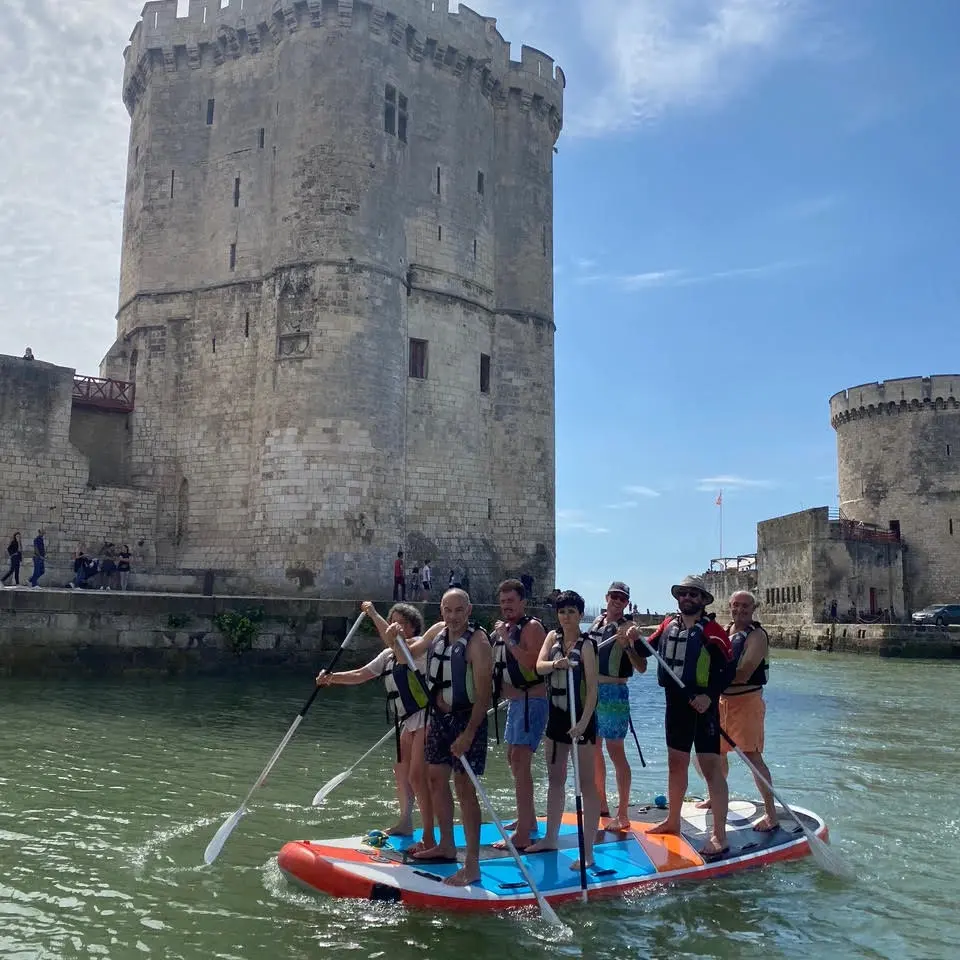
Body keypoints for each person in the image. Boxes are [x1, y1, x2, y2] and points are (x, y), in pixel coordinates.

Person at [630, 575, 734, 860]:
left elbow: (728, 671)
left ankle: (719, 835)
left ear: (702, 600)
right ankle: (673, 820)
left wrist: (709, 696)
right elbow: (643, 650)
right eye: (683, 594)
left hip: (703, 707)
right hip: (675, 704)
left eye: (693, 594)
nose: (687, 598)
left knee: (710, 766)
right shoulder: (668, 626)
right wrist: (630, 639)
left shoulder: (712, 631)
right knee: (676, 763)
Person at [317, 601, 434, 847]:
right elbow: (362, 674)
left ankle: (429, 832)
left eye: (400, 623)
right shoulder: (388, 655)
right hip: (405, 720)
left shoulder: (419, 647)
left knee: (417, 775)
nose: (393, 627)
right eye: (392, 622)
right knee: (401, 772)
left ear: (412, 627)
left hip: (425, 716)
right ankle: (405, 821)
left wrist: (372, 613)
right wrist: (331, 678)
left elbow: (398, 643)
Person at [405, 589, 493, 886]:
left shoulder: (478, 643)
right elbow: (408, 653)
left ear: (468, 610)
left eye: (458, 610)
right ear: (441, 611)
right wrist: (391, 634)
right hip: (439, 717)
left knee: (465, 789)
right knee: (434, 779)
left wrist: (468, 735)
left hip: (469, 720)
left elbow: (485, 697)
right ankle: (445, 844)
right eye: (447, 610)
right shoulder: (437, 631)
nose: (452, 617)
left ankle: (472, 865)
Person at [525, 590, 601, 870]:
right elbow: (539, 666)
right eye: (562, 612)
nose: (566, 617)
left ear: (580, 615)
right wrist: (556, 663)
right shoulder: (552, 638)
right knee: (556, 779)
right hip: (556, 717)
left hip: (581, 719)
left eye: (571, 612)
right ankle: (550, 838)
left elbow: (592, 689)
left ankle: (588, 851)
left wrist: (582, 724)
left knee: (586, 783)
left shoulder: (588, 645)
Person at [703, 591, 777, 832]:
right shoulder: (725, 632)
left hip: (746, 702)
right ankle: (715, 797)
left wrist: (712, 683)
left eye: (745, 606)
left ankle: (771, 813)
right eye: (735, 605)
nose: (740, 610)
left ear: (753, 608)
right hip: (721, 702)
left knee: (752, 757)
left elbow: (744, 672)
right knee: (716, 754)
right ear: (730, 606)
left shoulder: (757, 636)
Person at [491, 578, 548, 850]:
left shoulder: (532, 627)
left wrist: (506, 638)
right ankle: (529, 819)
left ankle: (524, 833)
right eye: (503, 602)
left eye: (511, 601)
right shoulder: (508, 628)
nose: (506, 607)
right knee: (512, 759)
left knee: (521, 761)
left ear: (523, 602)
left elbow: (533, 664)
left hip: (532, 702)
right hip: (516, 703)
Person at [588, 581, 647, 831]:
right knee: (593, 749)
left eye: (622, 598)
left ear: (626, 603)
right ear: (607, 597)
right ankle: (601, 804)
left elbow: (641, 667)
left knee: (616, 752)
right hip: (591, 692)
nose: (617, 601)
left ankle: (623, 813)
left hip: (614, 693)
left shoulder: (629, 628)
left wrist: (627, 646)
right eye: (614, 596)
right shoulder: (596, 623)